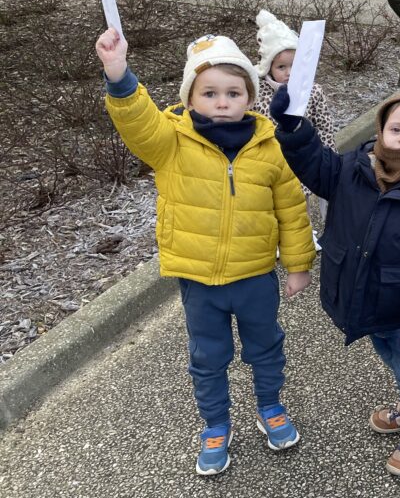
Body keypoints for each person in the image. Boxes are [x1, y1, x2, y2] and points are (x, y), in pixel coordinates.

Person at [95, 29, 314, 476]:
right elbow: (138, 123)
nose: (222, 102)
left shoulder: (269, 146)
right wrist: (118, 74)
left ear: (249, 97)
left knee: (266, 348)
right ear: (190, 98)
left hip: (255, 276)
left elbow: (291, 209)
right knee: (207, 357)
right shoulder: (171, 142)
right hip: (200, 281)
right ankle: (215, 424)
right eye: (209, 93)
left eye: (233, 93)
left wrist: (298, 264)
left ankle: (270, 406)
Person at [271, 86, 400, 477]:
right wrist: (293, 128)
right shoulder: (352, 170)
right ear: (381, 131)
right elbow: (313, 163)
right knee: (392, 360)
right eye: (396, 129)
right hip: (366, 302)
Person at [252, 10, 337, 237]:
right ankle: (285, 236)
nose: (289, 73)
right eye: (281, 67)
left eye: (294, 65)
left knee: (310, 198)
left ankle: (316, 233)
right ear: (269, 67)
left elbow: (324, 125)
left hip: (307, 157)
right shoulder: (259, 96)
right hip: (274, 161)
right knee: (281, 203)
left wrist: (329, 154)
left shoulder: (312, 91)